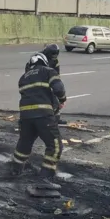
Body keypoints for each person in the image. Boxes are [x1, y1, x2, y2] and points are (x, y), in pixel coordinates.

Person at [11, 53, 67, 182]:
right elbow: (58, 88)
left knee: (24, 144)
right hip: (43, 115)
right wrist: (62, 99)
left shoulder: (23, 77)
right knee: (54, 145)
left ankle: (15, 169)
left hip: (25, 117)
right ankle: (45, 178)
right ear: (44, 62)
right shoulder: (48, 71)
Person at [26, 44, 64, 124]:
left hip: (49, 80)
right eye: (52, 55)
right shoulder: (38, 58)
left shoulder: (55, 60)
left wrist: (56, 82)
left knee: (55, 100)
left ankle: (56, 118)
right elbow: (29, 71)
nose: (54, 57)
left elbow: (57, 73)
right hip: (37, 81)